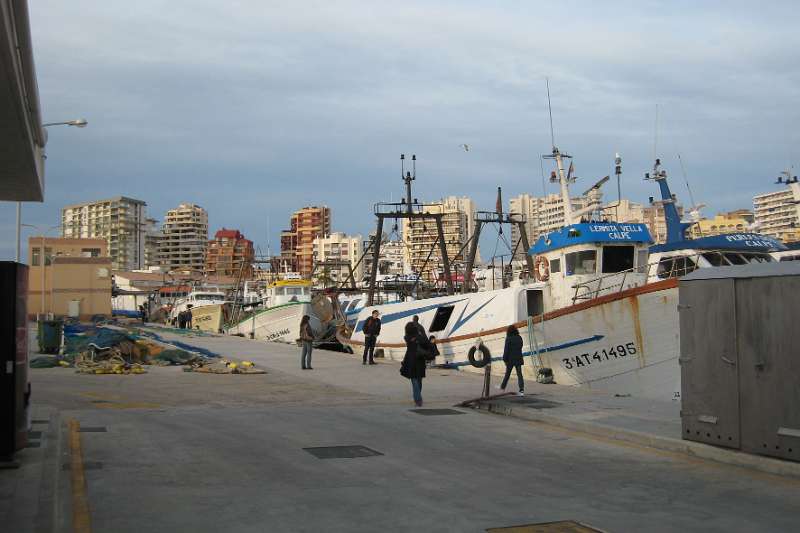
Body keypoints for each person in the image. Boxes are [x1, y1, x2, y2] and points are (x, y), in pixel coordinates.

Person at [400, 321, 432, 407]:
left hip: (411, 360)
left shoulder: (407, 337)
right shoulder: (420, 337)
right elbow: (427, 344)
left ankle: (418, 399)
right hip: (420, 359)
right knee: (419, 379)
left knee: (414, 380)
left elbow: (409, 342)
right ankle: (418, 398)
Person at [499, 325, 524, 396]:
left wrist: (504, 358)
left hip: (510, 359)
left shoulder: (508, 338)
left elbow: (506, 349)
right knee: (520, 375)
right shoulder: (519, 337)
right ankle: (521, 390)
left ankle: (502, 387)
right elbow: (521, 346)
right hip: (518, 358)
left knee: (507, 374)